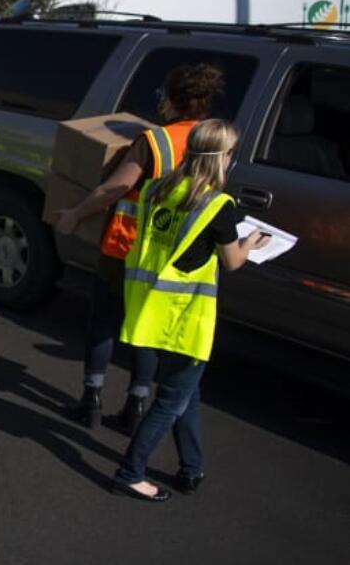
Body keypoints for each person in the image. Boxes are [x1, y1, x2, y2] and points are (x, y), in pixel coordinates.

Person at [55, 64, 225, 434]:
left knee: (104, 320)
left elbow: (113, 189)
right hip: (175, 255)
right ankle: (136, 404)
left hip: (129, 247)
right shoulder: (214, 141)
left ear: (174, 99)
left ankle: (92, 401)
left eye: (164, 96)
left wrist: (75, 214)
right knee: (145, 330)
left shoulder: (155, 142)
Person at [111, 120, 268, 502]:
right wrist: (251, 242)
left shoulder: (155, 188)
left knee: (185, 394)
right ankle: (130, 473)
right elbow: (231, 262)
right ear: (222, 158)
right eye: (231, 153)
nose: (233, 159)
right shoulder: (217, 205)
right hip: (185, 319)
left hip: (150, 308)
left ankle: (191, 468)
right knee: (170, 402)